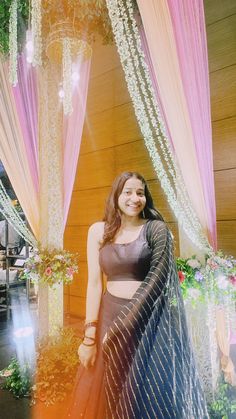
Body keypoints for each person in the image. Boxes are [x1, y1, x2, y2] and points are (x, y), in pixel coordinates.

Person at [67, 171, 209, 419]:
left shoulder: (156, 229)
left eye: (140, 193)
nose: (135, 198)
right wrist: (89, 336)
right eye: (128, 191)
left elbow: (157, 281)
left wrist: (125, 324)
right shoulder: (98, 231)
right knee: (105, 392)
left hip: (148, 324)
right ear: (116, 195)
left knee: (147, 390)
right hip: (108, 317)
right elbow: (93, 284)